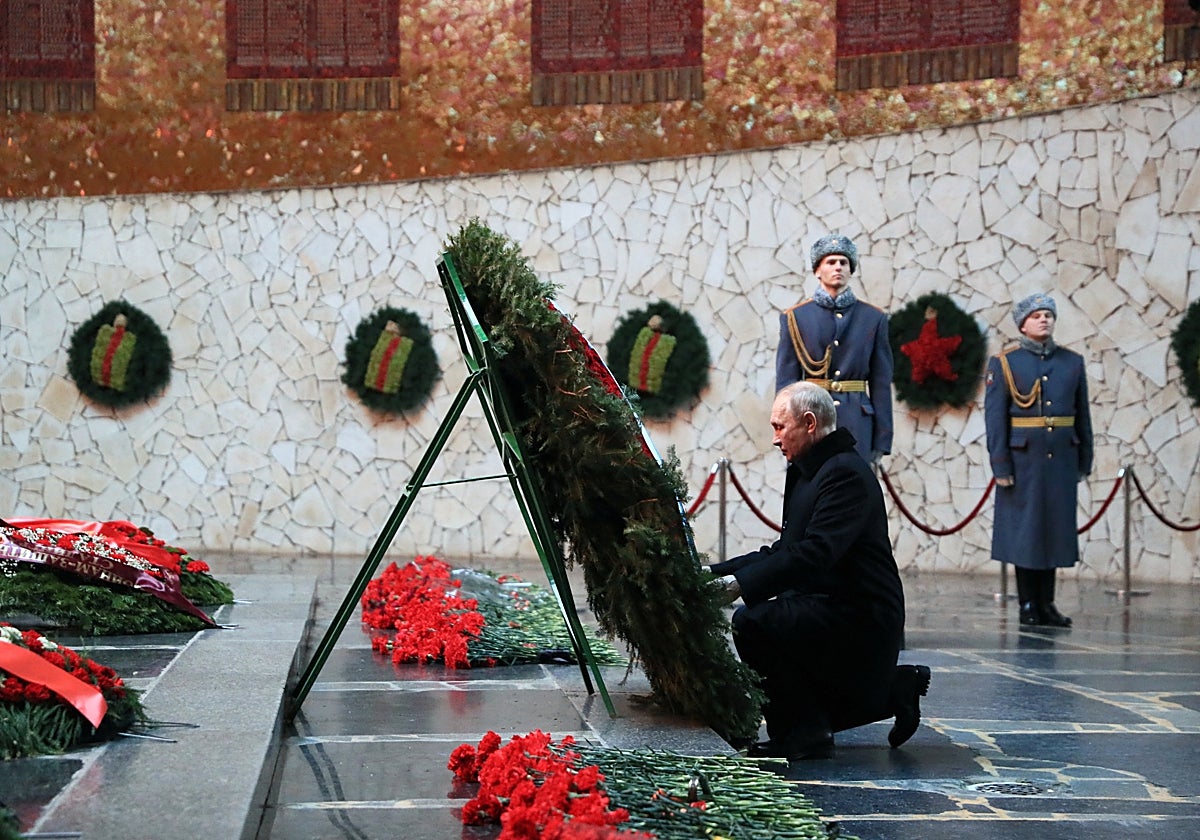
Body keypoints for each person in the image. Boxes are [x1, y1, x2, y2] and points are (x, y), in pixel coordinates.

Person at [709, 382, 930, 760]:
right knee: (777, 624)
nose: (775, 439)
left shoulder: (843, 473)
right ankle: (894, 689)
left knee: (754, 622)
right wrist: (714, 572)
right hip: (827, 602)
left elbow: (817, 552)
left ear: (809, 422)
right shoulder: (812, 468)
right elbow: (783, 550)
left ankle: (805, 732)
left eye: (780, 427)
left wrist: (739, 586)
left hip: (862, 612)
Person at [985, 293, 1094, 627]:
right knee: (1026, 534)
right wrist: (1000, 464)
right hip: (1023, 461)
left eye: (1048, 315)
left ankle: (1047, 604)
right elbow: (995, 418)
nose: (1044, 320)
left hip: (1060, 458)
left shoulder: (1072, 362)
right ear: (1023, 324)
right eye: (1036, 316)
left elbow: (1082, 415)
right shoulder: (1005, 363)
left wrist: (1084, 457)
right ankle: (1028, 605)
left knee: (1054, 532)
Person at [775, 234, 893, 463]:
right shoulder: (796, 318)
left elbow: (881, 384)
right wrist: (784, 432)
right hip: (810, 422)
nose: (838, 267)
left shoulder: (873, 318)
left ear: (851, 271)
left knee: (856, 493)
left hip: (858, 423)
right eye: (830, 262)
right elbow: (786, 383)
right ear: (817, 271)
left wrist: (882, 440)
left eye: (843, 262)